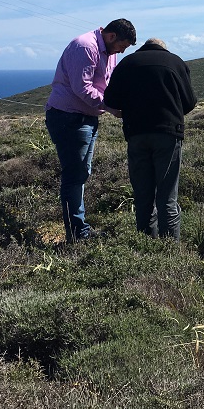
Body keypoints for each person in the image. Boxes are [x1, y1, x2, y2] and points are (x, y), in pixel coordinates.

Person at [45, 19, 137, 243]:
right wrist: (111, 107)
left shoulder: (108, 50)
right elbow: (82, 87)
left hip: (86, 117)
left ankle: (79, 229)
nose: (122, 52)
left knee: (81, 173)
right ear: (112, 36)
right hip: (69, 117)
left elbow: (106, 84)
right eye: (122, 46)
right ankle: (77, 234)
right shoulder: (85, 46)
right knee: (74, 175)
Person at [103, 38, 197, 242]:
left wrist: (130, 109)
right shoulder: (176, 62)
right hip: (168, 134)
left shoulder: (127, 63)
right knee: (167, 197)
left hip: (136, 134)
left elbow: (110, 100)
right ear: (164, 48)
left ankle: (146, 245)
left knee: (143, 195)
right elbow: (189, 102)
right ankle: (170, 249)